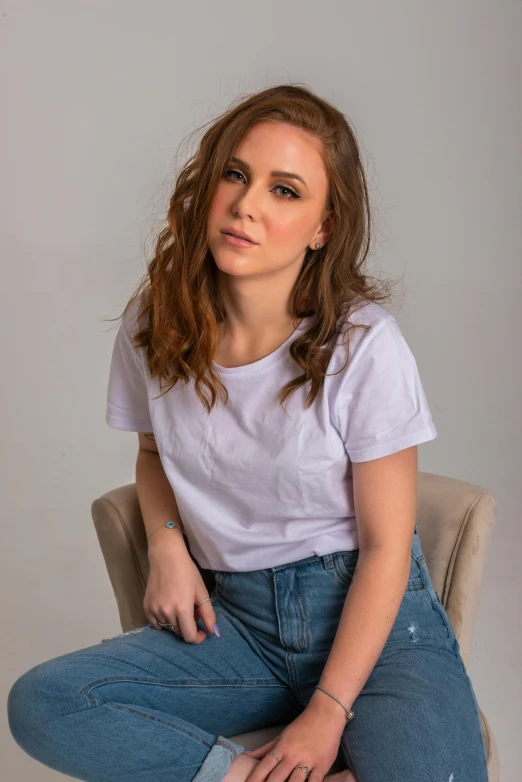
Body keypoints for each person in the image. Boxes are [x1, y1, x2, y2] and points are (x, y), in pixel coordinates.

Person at [7, 84, 489, 782]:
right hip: (237, 629)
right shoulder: (156, 325)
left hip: (374, 627)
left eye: (286, 190)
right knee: (47, 703)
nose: (247, 204)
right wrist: (168, 548)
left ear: (324, 225)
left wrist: (327, 712)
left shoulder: (364, 347)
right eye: (235, 174)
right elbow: (151, 454)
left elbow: (387, 547)